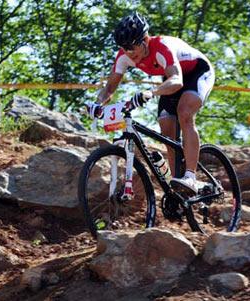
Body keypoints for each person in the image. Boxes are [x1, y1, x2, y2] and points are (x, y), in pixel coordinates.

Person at [92, 12, 215, 196]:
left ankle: (190, 176)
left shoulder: (161, 47)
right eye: (124, 48)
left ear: (144, 39)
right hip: (171, 78)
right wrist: (98, 104)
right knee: (167, 128)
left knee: (184, 113)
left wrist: (152, 92)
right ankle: (178, 187)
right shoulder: (124, 56)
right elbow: (110, 87)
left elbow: (177, 80)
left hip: (197, 72)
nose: (128, 53)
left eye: (131, 46)